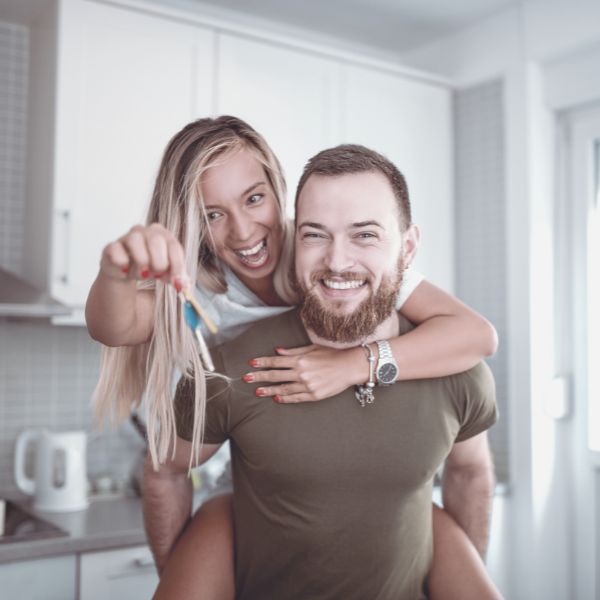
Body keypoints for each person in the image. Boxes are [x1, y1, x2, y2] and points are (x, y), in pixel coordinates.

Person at [84, 117, 498, 597]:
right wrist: (114, 272)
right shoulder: (204, 286)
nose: (242, 231)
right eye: (213, 214)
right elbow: (112, 328)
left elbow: (477, 335)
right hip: (244, 466)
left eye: (254, 198)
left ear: (279, 196)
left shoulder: (349, 253)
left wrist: (351, 364)